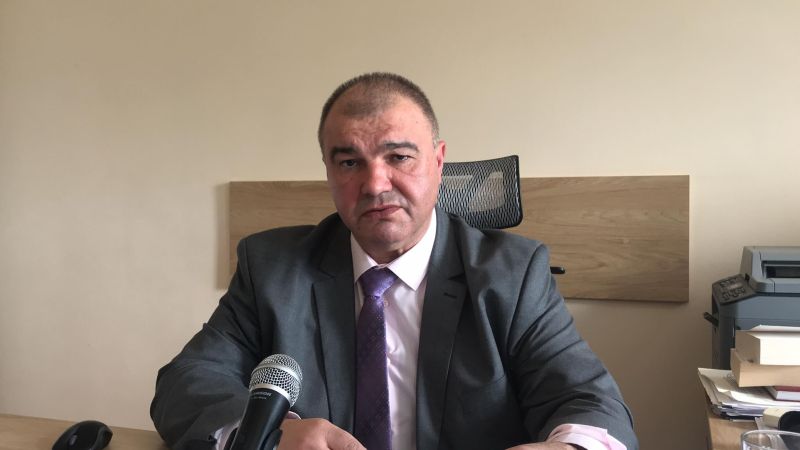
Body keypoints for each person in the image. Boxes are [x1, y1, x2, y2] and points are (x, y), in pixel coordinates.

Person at [151, 72, 638, 450]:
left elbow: (588, 399)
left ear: (439, 162)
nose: (375, 184)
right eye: (349, 163)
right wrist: (268, 435)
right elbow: (185, 383)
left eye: (399, 157)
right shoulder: (273, 268)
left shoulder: (513, 273)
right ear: (329, 173)